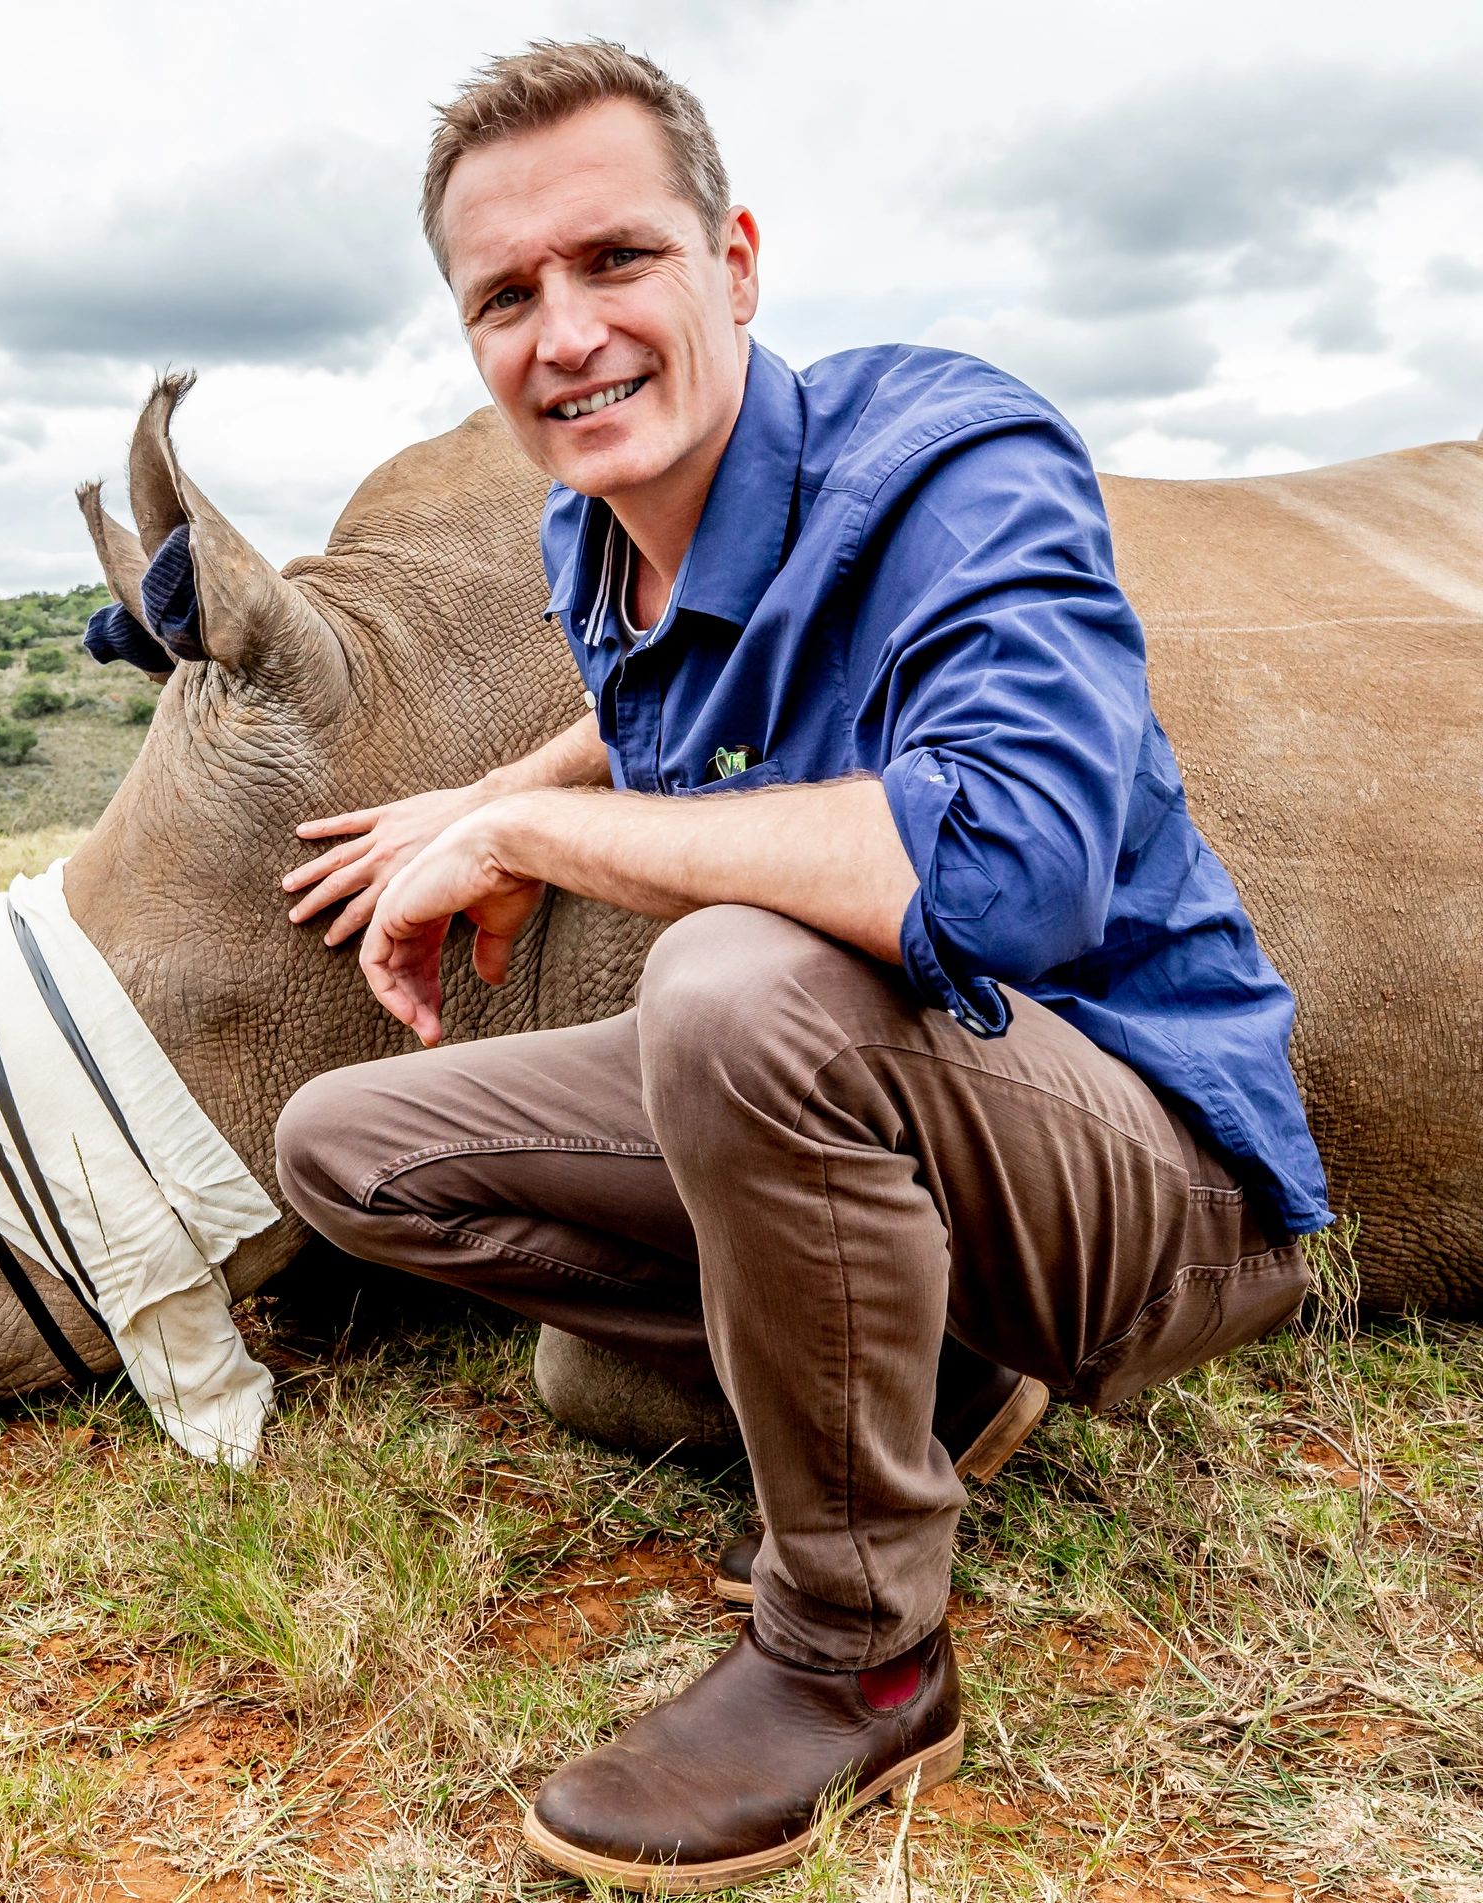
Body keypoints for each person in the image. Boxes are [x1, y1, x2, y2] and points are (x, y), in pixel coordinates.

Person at [270, 39, 1329, 1892]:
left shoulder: (954, 462)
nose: (564, 331)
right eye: (505, 297)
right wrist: (502, 784)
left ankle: (858, 1649)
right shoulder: (597, 542)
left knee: (730, 984)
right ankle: (922, 1388)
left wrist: (529, 842)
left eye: (617, 261)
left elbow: (1005, 876)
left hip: (1150, 1178)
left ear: (737, 262)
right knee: (349, 1146)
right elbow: (658, 699)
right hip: (921, 1128)